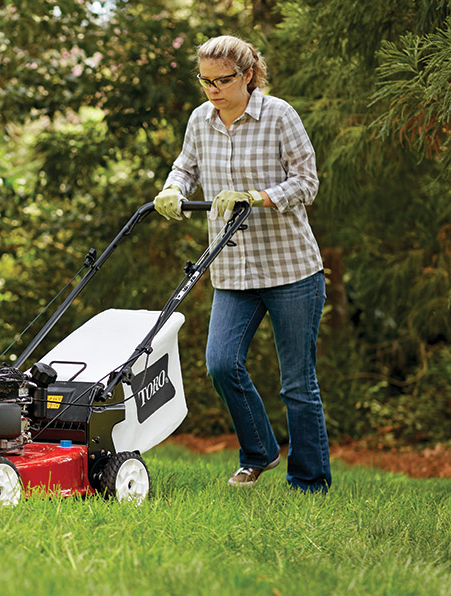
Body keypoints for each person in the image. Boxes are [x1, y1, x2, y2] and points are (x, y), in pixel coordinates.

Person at [153, 35, 331, 493]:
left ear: (248, 75)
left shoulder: (279, 115)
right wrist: (173, 188)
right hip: (232, 269)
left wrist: (259, 197)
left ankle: (309, 483)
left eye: (223, 80)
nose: (213, 88)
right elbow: (184, 167)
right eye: (205, 80)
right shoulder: (200, 120)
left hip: (291, 269)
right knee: (220, 364)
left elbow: (307, 182)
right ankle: (260, 452)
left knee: (296, 382)